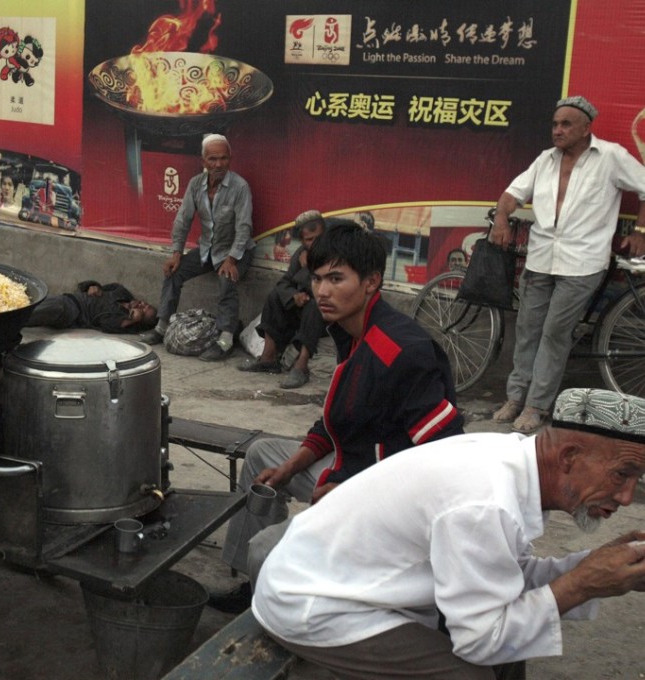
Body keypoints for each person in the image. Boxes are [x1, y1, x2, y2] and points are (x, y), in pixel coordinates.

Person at [254, 387, 645, 679]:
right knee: (469, 674)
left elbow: (504, 575)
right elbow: (480, 639)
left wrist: (598, 568)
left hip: (337, 575)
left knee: (512, 644)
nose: (627, 497)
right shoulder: (485, 501)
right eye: (622, 475)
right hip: (313, 599)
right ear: (569, 457)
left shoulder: (510, 459)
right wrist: (583, 584)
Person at [212, 224, 464, 613]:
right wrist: (290, 467)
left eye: (336, 278)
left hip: (388, 504)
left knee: (267, 549)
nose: (322, 292)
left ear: (371, 282)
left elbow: (442, 461)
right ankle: (253, 586)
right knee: (264, 456)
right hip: (352, 469)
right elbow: (339, 423)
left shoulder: (400, 351)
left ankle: (286, 619)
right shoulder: (349, 332)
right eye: (316, 279)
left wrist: (353, 498)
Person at [490, 96, 645, 434]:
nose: (557, 131)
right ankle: (515, 397)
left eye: (566, 124)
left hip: (583, 261)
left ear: (586, 128)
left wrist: (640, 231)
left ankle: (537, 406)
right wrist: (501, 218)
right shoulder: (545, 160)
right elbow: (512, 194)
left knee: (555, 333)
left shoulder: (611, 157)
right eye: (554, 124)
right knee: (528, 329)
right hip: (541, 257)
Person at [139, 133, 255, 361]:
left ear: (230, 159)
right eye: (212, 159)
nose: (218, 164)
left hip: (236, 251)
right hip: (207, 250)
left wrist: (231, 260)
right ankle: (162, 326)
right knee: (174, 272)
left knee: (226, 279)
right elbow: (182, 220)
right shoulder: (195, 185)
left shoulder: (240, 187)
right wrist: (176, 253)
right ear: (203, 161)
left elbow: (244, 228)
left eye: (223, 158)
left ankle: (226, 339)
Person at [238, 210, 325, 389]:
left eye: (318, 237)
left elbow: (325, 288)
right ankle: (268, 358)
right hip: (301, 303)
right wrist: (294, 296)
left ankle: (301, 367)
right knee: (275, 296)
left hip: (326, 309)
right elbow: (284, 282)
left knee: (314, 305)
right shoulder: (301, 253)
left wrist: (307, 268)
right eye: (309, 240)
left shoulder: (334, 253)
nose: (314, 243)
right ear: (302, 241)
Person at [25, 280, 157, 334]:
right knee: (26, 304)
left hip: (69, 311)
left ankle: (7, 320)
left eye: (144, 310)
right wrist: (93, 287)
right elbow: (85, 285)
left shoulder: (119, 320)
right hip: (67, 298)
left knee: (26, 314)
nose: (143, 304)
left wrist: (132, 319)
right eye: (146, 304)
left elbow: (105, 324)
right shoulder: (121, 292)